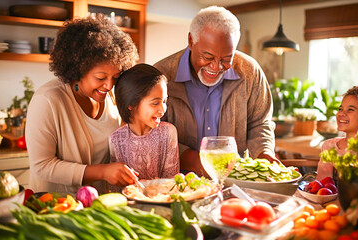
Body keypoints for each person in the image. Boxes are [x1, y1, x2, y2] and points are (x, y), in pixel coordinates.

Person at [154, 6, 278, 177]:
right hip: (176, 181)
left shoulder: (250, 71)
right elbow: (153, 132)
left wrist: (265, 155)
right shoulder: (161, 76)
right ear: (191, 41)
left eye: (226, 59)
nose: (216, 67)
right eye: (208, 57)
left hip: (233, 180)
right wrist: (197, 162)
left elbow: (260, 123)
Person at [25, 16, 140, 194]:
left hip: (98, 205)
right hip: (56, 206)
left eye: (115, 77)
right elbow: (42, 165)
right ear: (78, 70)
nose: (109, 86)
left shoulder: (111, 97)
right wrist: (102, 172)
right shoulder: (47, 100)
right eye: (101, 78)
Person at [109, 64, 179, 191]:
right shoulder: (116, 139)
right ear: (131, 103)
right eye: (155, 103)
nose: (163, 110)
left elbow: (172, 183)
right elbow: (116, 189)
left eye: (164, 101)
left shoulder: (168, 132)